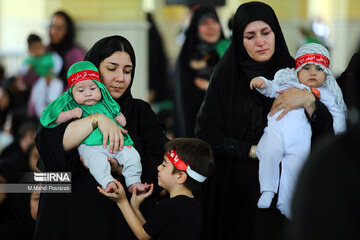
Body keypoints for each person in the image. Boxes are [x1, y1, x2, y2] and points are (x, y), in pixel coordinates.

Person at [194, 2, 335, 240]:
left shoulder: (297, 73)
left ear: (276, 33)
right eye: (250, 36)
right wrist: (253, 151)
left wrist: (309, 102)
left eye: (266, 33)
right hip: (237, 193)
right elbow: (206, 132)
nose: (260, 42)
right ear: (239, 40)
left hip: (287, 187)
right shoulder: (226, 76)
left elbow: (327, 133)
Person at [34, 35, 167, 240]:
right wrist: (97, 119)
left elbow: (160, 168)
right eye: (111, 68)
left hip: (122, 224)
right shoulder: (70, 108)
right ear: (92, 69)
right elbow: (49, 150)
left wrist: (120, 169)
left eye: (127, 71)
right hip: (75, 221)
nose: (120, 78)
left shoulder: (140, 112)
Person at [250, 43, 347, 219]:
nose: (312, 72)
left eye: (319, 69)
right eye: (307, 68)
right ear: (297, 70)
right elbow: (271, 89)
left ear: (326, 73)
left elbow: (338, 114)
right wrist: (262, 83)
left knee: (294, 169)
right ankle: (268, 190)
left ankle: (286, 204)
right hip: (276, 130)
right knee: (269, 152)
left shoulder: (326, 93)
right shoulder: (286, 82)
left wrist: (340, 134)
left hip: (300, 138)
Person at [40, 61, 147, 193]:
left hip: (116, 144)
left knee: (132, 155)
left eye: (93, 88)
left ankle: (133, 181)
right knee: (96, 162)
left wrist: (120, 117)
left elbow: (115, 111)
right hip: (91, 147)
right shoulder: (72, 105)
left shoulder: (105, 102)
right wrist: (69, 114)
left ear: (101, 88)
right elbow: (53, 118)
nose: (88, 94)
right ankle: (107, 182)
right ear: (71, 93)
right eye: (81, 90)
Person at [98, 138, 215, 240]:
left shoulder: (169, 206)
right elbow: (151, 231)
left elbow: (143, 236)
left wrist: (122, 201)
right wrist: (135, 208)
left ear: (180, 177)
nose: (158, 167)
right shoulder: (194, 205)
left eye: (164, 165)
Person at [174, 6, 225, 137]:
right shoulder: (187, 56)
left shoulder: (228, 51)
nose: (211, 27)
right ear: (195, 27)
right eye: (204, 23)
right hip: (196, 127)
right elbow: (184, 102)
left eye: (214, 22)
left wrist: (210, 86)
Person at [22, 11, 85, 89]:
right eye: (52, 26)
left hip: (63, 98)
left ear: (67, 31)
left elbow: (80, 83)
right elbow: (26, 79)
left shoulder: (74, 52)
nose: (53, 31)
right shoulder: (44, 49)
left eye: (59, 28)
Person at [19, 34, 64, 119]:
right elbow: (21, 70)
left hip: (53, 77)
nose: (38, 50)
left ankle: (53, 109)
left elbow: (58, 61)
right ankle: (42, 115)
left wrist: (54, 70)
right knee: (38, 93)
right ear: (30, 50)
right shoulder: (31, 60)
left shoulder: (50, 56)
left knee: (57, 85)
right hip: (41, 79)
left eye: (40, 47)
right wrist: (28, 68)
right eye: (34, 48)